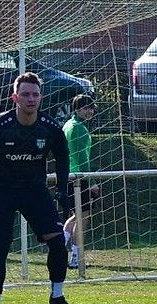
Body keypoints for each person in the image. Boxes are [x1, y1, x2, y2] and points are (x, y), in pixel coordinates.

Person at [0, 72, 78, 304]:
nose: (31, 99)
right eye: (25, 94)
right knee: (0, 249)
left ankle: (57, 296)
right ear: (15, 97)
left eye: (35, 95)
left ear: (41, 97)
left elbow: (62, 157)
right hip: (1, 191)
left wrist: (62, 190)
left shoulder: (50, 127)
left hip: (34, 191)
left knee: (57, 242)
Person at [62, 93, 100, 268]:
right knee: (82, 217)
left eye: (91, 108)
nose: (89, 111)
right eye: (86, 108)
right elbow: (81, 158)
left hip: (70, 176)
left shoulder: (69, 125)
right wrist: (91, 182)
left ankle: (60, 248)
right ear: (76, 109)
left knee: (77, 215)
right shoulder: (77, 128)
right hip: (79, 178)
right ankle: (76, 259)